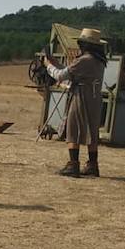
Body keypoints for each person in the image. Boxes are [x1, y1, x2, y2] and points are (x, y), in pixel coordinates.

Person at [42, 28, 107, 177]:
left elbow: (60, 76)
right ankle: (92, 165)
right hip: (94, 97)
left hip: (81, 96)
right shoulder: (99, 61)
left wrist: (48, 66)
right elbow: (70, 72)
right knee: (92, 130)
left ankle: (73, 164)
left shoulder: (85, 60)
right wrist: (57, 64)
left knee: (74, 128)